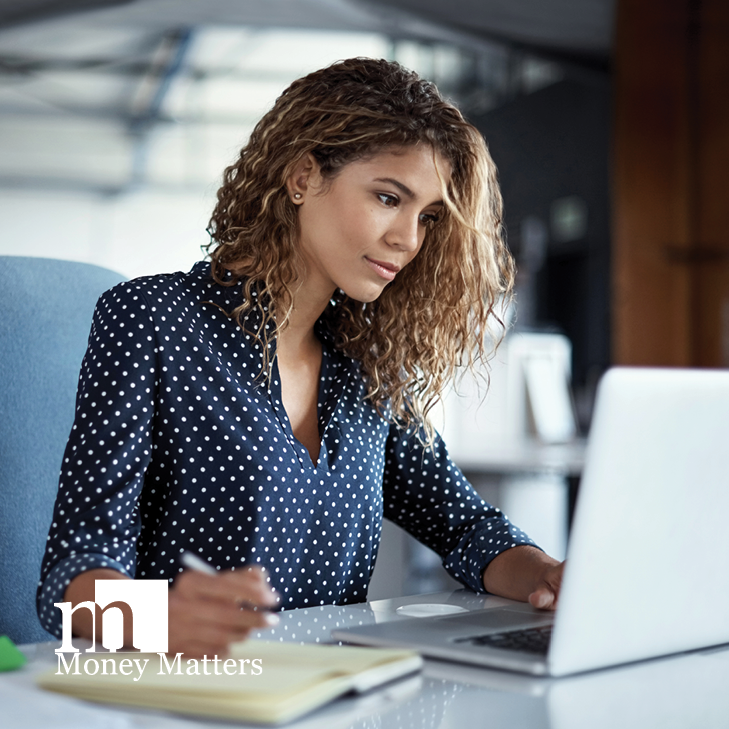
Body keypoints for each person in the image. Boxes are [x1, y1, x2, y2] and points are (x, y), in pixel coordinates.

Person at [37, 57, 563, 658]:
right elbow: (71, 581)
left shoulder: (365, 366)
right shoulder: (153, 318)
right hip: (189, 697)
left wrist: (549, 575)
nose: (409, 239)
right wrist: (157, 617)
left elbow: (468, 528)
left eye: (428, 217)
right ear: (302, 177)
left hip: (332, 698)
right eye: (389, 197)